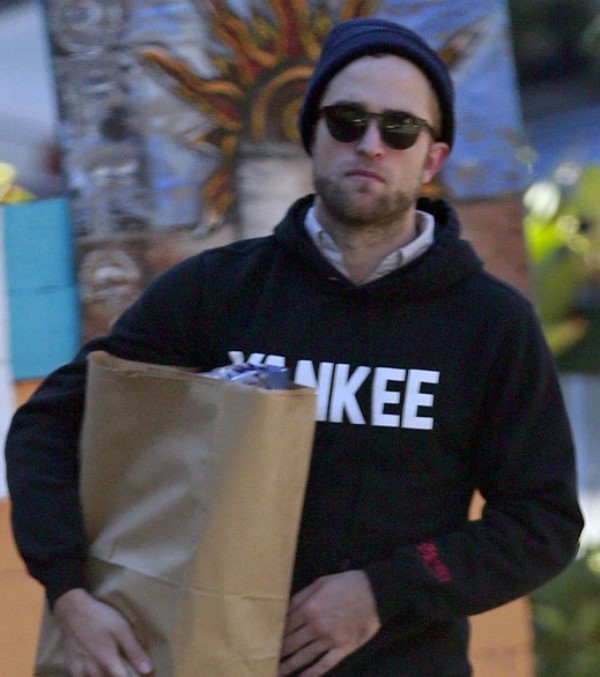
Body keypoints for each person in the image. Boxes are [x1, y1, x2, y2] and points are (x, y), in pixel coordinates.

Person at [5, 17, 583, 677]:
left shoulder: (491, 324)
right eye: (347, 121)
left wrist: (384, 589)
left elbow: (542, 522)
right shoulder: (216, 291)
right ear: (311, 133)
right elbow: (52, 423)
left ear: (433, 157)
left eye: (400, 129)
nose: (371, 144)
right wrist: (69, 590)